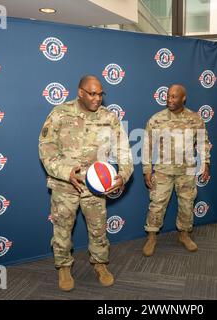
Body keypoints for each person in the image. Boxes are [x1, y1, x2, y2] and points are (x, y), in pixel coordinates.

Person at [38, 75, 133, 291]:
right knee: (62, 229)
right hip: (65, 186)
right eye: (92, 93)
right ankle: (63, 267)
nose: (97, 98)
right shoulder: (60, 113)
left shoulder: (109, 117)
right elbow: (46, 147)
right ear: (80, 92)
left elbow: (124, 150)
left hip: (96, 188)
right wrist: (64, 172)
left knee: (98, 229)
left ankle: (100, 263)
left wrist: (124, 174)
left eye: (101, 94)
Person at [141, 84, 211, 256]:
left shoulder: (195, 119)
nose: (169, 100)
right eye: (168, 96)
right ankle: (151, 236)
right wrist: (146, 169)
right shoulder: (156, 119)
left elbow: (203, 142)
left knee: (187, 205)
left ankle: (184, 234)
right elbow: (147, 146)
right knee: (157, 205)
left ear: (183, 98)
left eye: (174, 97)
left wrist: (206, 163)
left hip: (186, 171)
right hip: (163, 170)